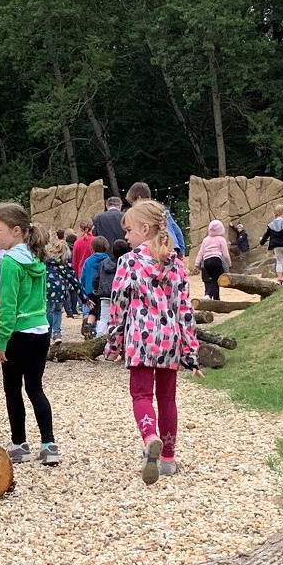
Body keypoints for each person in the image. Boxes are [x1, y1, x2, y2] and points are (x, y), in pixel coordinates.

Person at [104, 199, 199, 485]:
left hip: (140, 339)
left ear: (145, 229)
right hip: (169, 338)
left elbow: (119, 305)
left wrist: (113, 342)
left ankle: (150, 437)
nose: (126, 237)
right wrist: (190, 351)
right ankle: (168, 459)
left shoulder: (128, 261)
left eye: (129, 230)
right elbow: (185, 309)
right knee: (168, 398)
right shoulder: (176, 264)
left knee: (141, 395)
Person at [0, 203, 61, 466]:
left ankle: (19, 444)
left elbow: (7, 308)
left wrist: (0, 341)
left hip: (17, 334)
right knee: (35, 388)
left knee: (13, 390)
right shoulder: (37, 259)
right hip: (41, 331)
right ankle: (49, 444)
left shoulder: (9, 263)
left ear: (16, 231)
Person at [125, 182, 187, 255]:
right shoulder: (162, 210)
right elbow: (178, 232)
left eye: (133, 203)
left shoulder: (147, 214)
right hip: (172, 250)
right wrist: (181, 252)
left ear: (139, 198)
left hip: (161, 252)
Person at [44, 238, 77, 345]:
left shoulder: (46, 264)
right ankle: (57, 333)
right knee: (58, 311)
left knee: (48, 310)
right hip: (61, 292)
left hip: (48, 290)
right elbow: (73, 279)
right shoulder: (65, 265)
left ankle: (48, 332)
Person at [80, 236, 112, 336]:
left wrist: (84, 288)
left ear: (92, 247)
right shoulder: (108, 260)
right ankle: (99, 331)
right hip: (103, 290)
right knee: (102, 312)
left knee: (92, 310)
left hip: (90, 290)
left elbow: (83, 276)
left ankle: (89, 325)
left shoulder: (88, 261)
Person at [258, 205, 283, 281]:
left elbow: (266, 235)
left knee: (279, 261)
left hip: (276, 247)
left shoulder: (271, 224)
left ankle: (279, 278)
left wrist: (261, 243)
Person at [197, 220, 232, 301]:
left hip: (206, 261)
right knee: (216, 280)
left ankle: (207, 295)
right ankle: (216, 298)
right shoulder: (221, 239)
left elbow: (201, 252)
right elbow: (225, 254)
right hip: (216, 260)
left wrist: (197, 263)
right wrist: (229, 263)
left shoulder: (205, 240)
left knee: (208, 279)